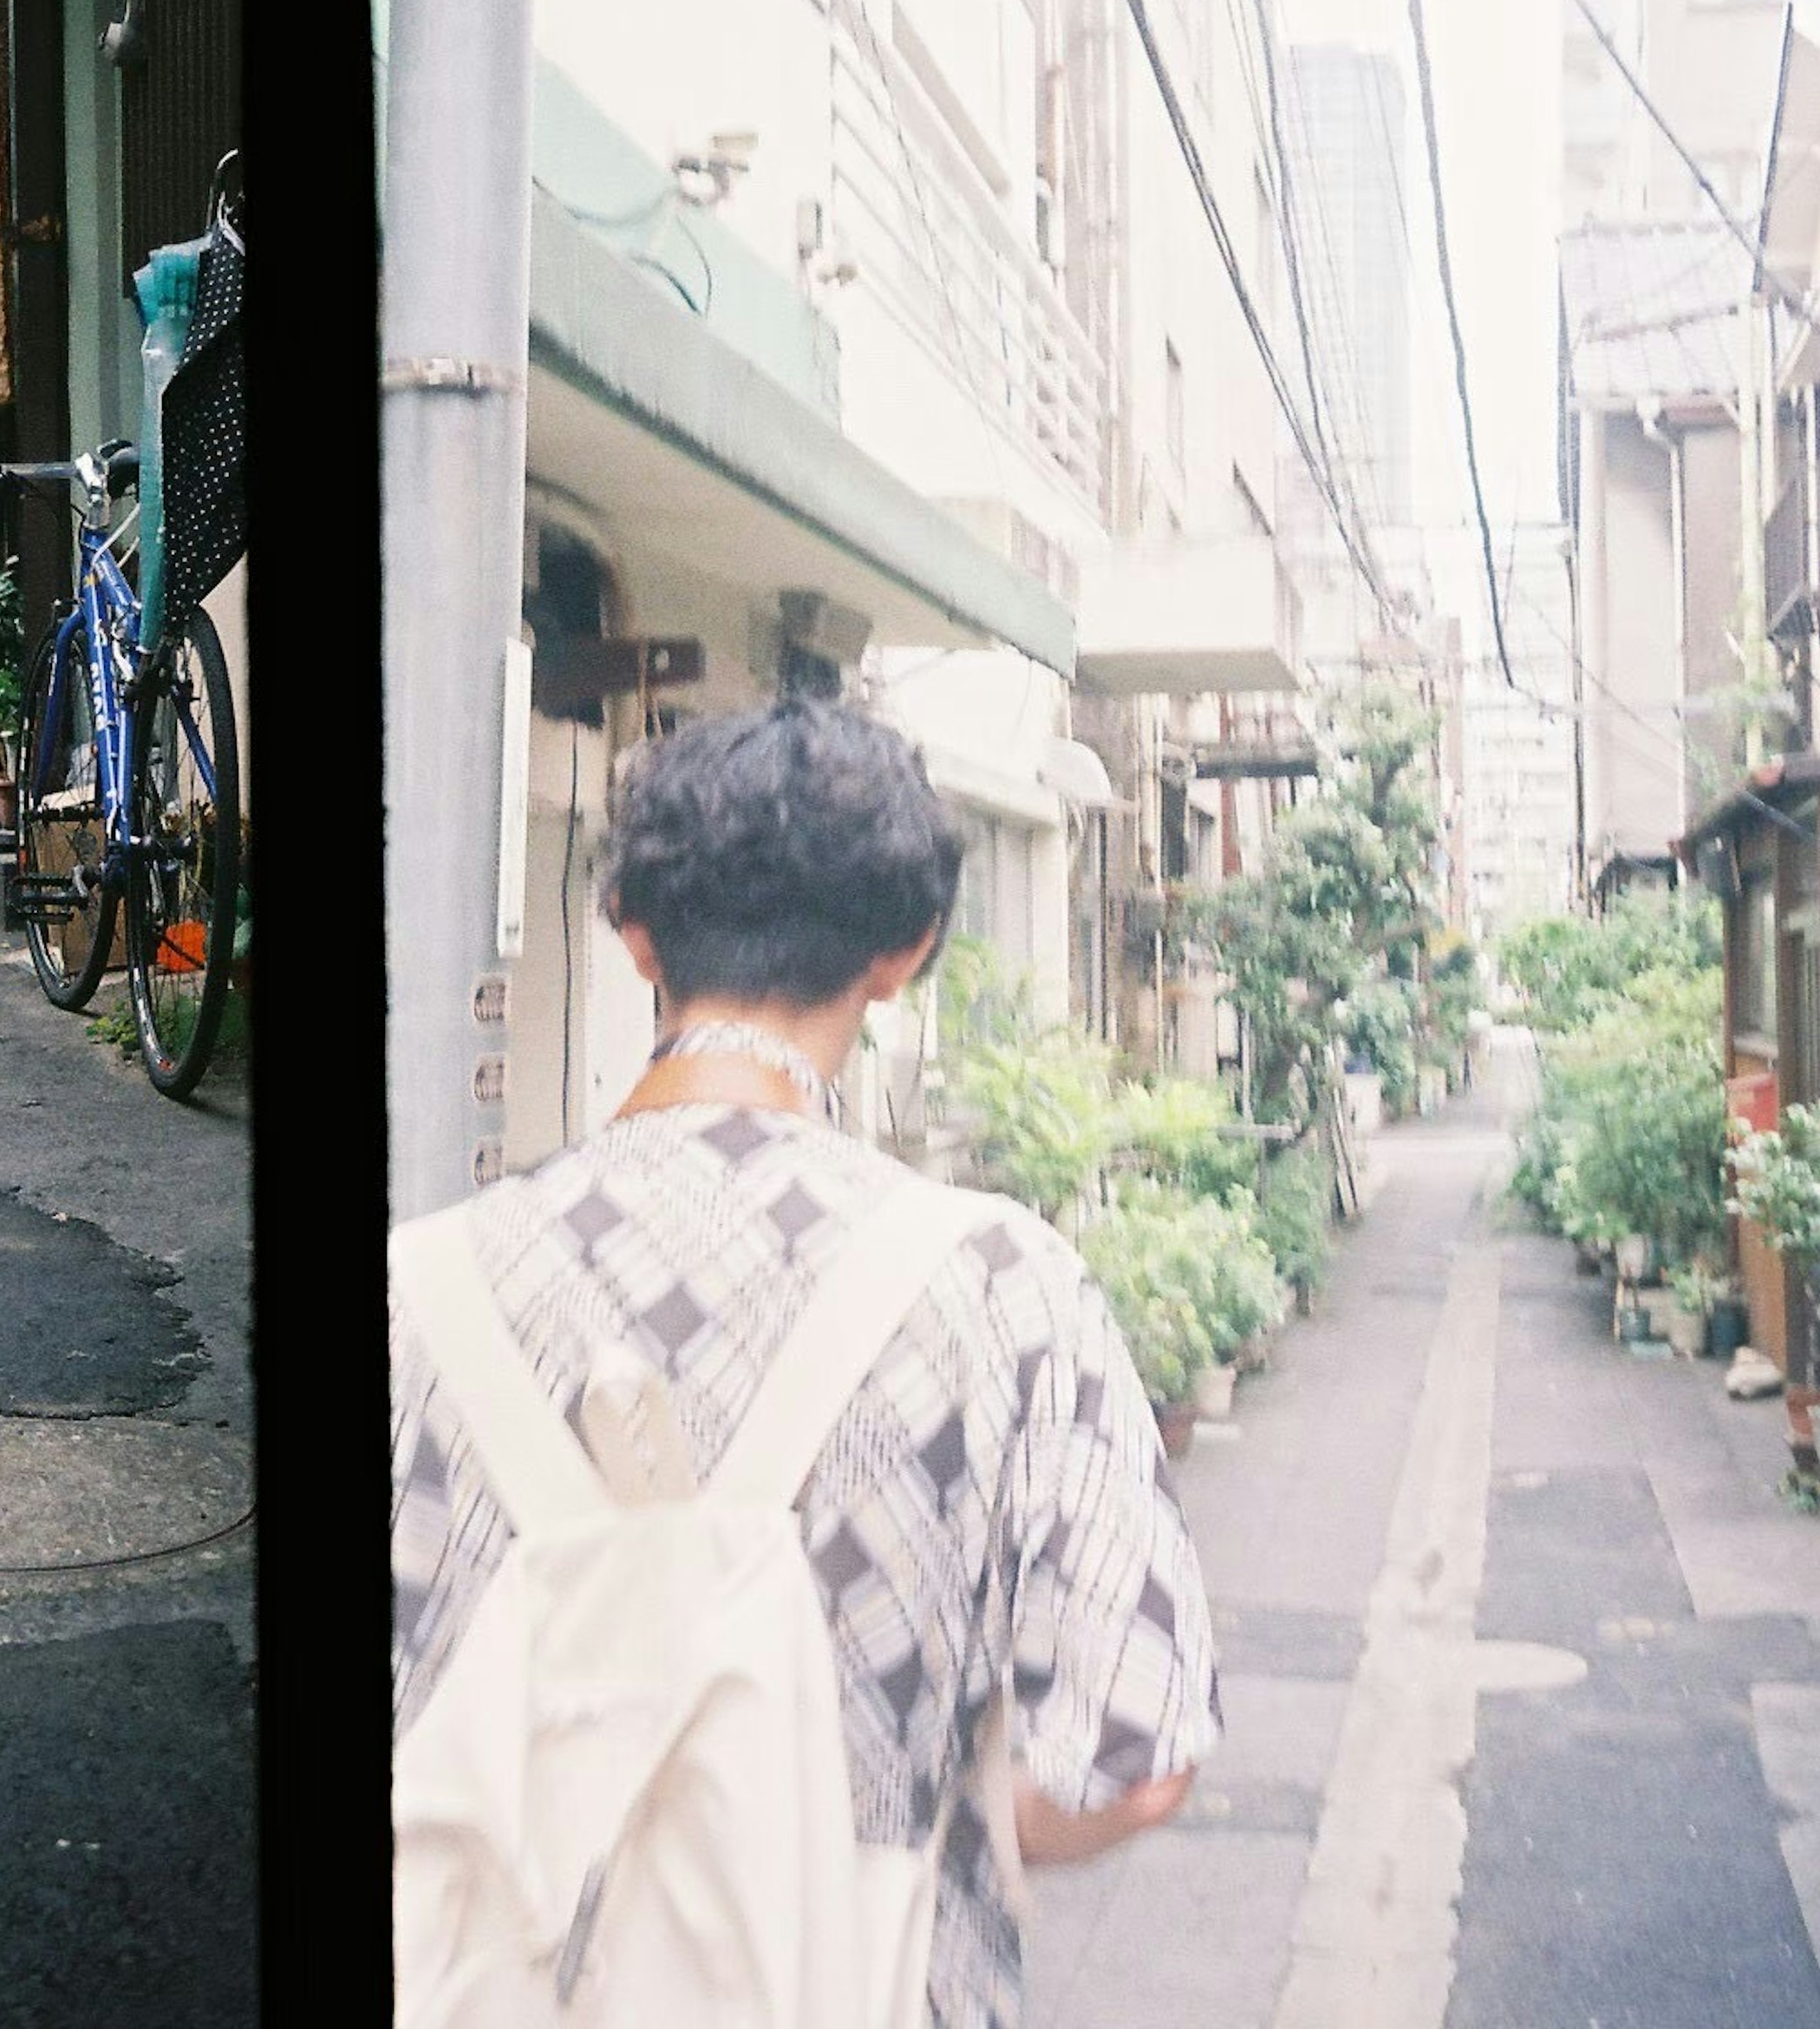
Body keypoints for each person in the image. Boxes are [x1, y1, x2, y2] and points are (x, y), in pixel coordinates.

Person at [388, 695, 1222, 2026]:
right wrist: (902, 1825)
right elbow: (1131, 1763)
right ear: (906, 952)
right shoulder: (1007, 1290)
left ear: (633, 934)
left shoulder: (420, 1290)